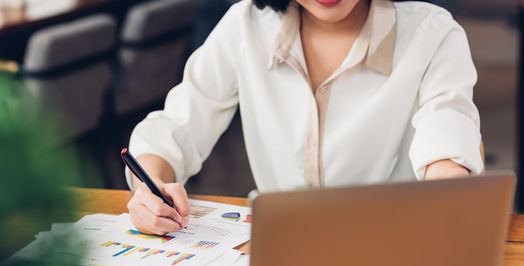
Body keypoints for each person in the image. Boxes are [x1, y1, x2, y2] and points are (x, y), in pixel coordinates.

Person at [126, 0, 483, 235]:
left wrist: (446, 198)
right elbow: (177, 125)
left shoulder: (433, 32)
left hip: (389, 243)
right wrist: (151, 188)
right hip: (274, 247)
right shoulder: (245, 24)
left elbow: (447, 129)